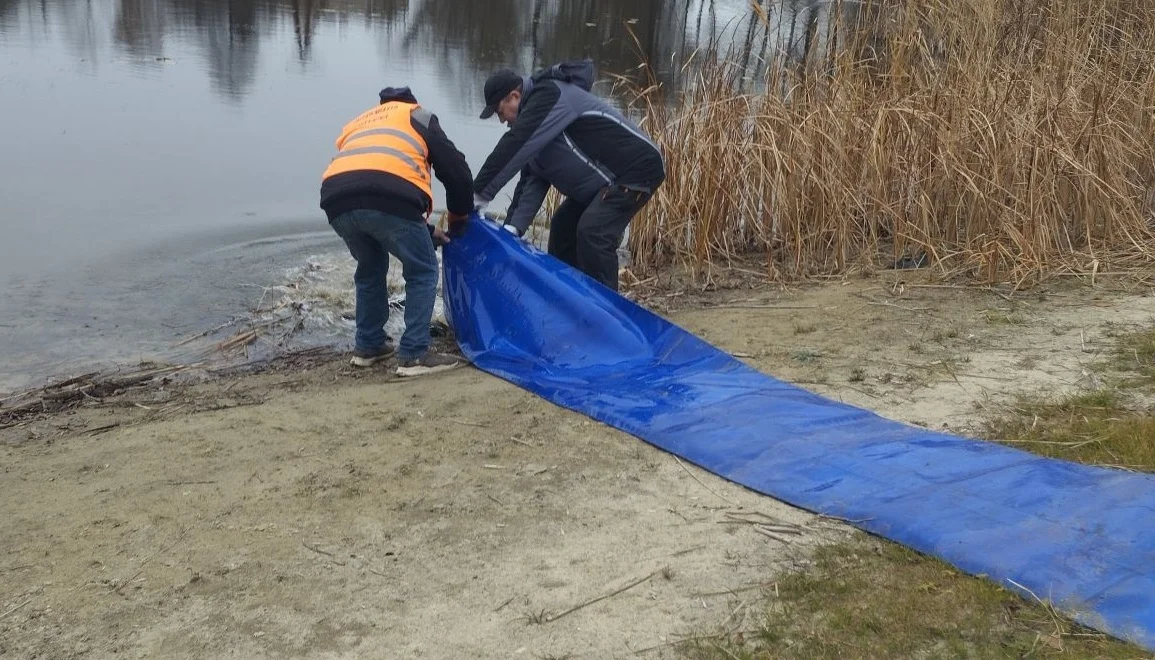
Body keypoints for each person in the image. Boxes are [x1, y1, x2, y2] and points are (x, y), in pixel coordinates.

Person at [472, 59, 665, 292]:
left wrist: (477, 196)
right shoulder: (537, 128)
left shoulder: (549, 96)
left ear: (514, 95)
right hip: (604, 183)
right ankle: (566, 298)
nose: (502, 120)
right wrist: (511, 231)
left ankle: (607, 309)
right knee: (563, 227)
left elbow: (513, 146)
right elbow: (531, 182)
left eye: (500, 112)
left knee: (593, 232)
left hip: (637, 169)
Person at [320, 86, 472, 377]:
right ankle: (414, 353)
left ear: (382, 105)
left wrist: (425, 232)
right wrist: (459, 215)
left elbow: (372, 187)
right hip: (388, 199)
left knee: (370, 266)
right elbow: (455, 169)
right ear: (410, 103)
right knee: (423, 269)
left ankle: (368, 345)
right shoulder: (418, 115)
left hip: (336, 199)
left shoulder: (362, 121)